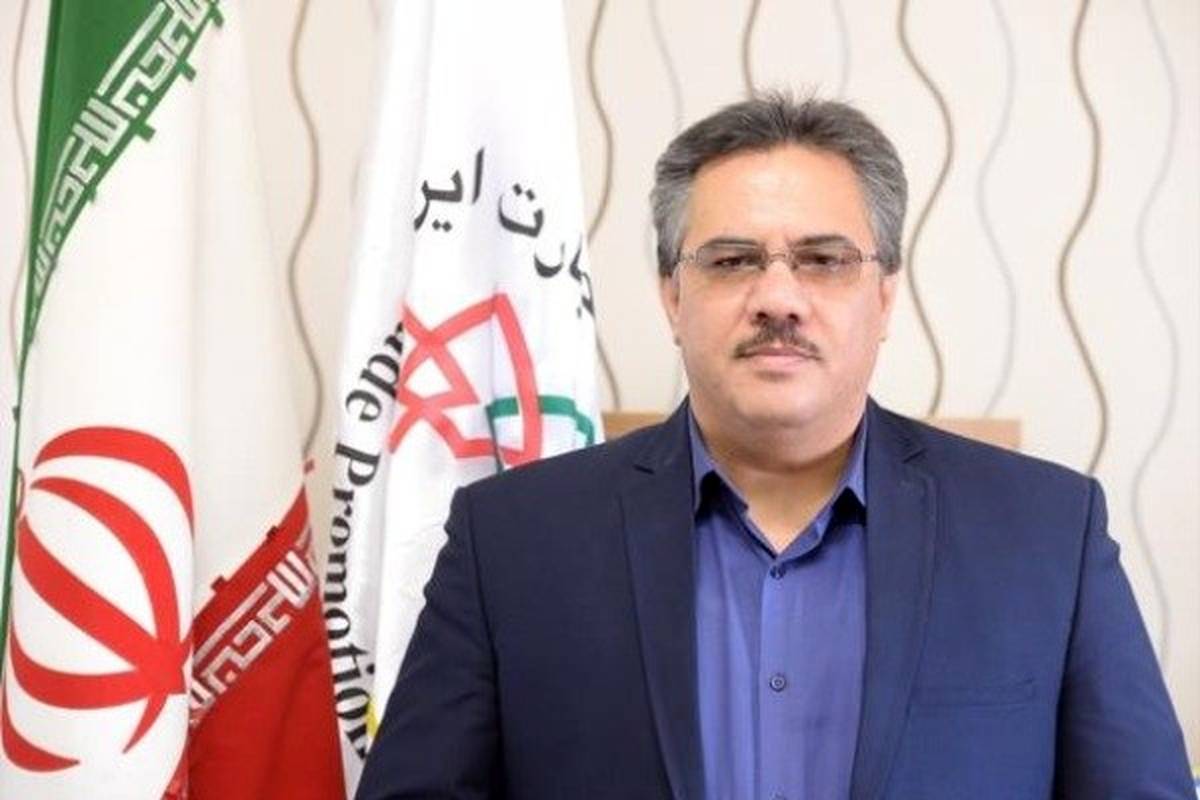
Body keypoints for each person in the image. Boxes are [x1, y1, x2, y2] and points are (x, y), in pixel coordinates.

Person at [356, 92, 1193, 799]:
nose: (778, 298)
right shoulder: (511, 540)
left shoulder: (1048, 533)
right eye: (732, 260)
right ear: (672, 295)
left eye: (824, 259)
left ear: (885, 296)